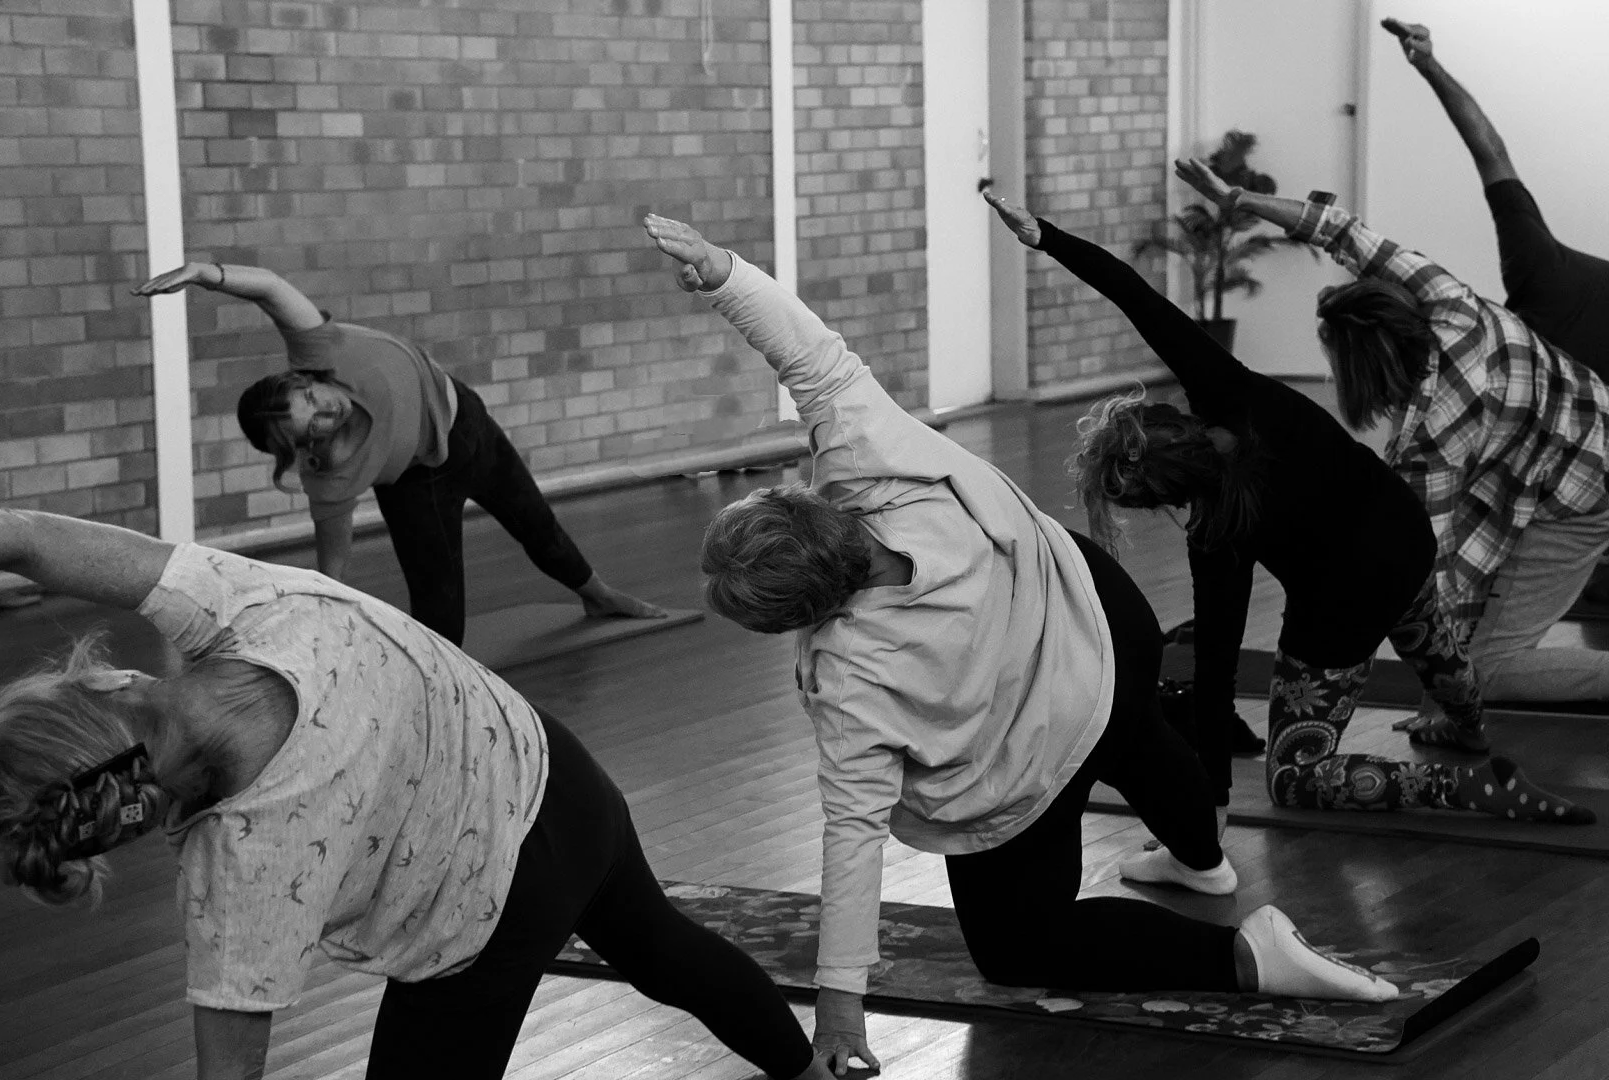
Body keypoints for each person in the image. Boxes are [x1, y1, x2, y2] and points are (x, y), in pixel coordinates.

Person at [644, 213, 1402, 1078]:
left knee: (1018, 948)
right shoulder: (871, 458)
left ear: (800, 614)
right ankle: (1204, 861)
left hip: (1043, 733)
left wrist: (841, 1010)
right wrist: (724, 274)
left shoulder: (854, 678)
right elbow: (812, 356)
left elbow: (852, 837)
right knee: (1138, 734)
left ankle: (1244, 954)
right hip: (1099, 615)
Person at [0, 507, 829, 1080]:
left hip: (492, 904)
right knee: (663, 949)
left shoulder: (237, 878)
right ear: (108, 688)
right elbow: (24, 539)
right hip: (556, 778)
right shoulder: (246, 600)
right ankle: (810, 1069)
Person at [983, 187, 1590, 825]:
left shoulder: (1215, 534)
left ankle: (1460, 786)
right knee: (1423, 625)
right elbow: (1138, 297)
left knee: (1297, 776)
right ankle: (1469, 723)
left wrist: (1213, 795)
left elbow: (1216, 669)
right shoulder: (1228, 389)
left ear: (1162, 498)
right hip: (1406, 539)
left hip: (1345, 604)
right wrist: (1044, 236)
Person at [1173, 158, 1609, 707]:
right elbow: (1343, 231)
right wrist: (1243, 199)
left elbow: (1434, 573)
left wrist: (1444, 701)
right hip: (1578, 439)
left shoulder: (1433, 433)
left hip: (1581, 495)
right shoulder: (1446, 299)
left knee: (1489, 669)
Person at [132, 263, 663, 646]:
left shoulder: (322, 349)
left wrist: (206, 274)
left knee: (537, 526)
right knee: (440, 611)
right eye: (310, 428)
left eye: (313, 400)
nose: (326, 415)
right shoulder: (331, 474)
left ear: (303, 379)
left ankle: (598, 594)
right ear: (301, 448)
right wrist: (323, 624)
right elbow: (333, 567)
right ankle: (437, 683)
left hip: (469, 426)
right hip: (418, 485)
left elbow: (270, 288)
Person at [1382, 17, 1609, 380]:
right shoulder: (1540, 267)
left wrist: (1429, 66)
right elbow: (1492, 154)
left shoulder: (1539, 269)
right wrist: (1429, 67)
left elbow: (1491, 152)